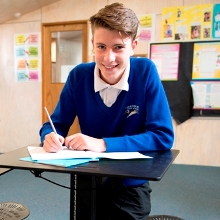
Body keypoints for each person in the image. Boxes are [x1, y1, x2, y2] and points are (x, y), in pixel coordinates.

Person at [39, 2, 174, 220]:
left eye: (118, 47)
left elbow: (163, 136)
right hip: (88, 178)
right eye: (101, 46)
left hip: (131, 182)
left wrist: (102, 144)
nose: (108, 58)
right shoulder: (78, 76)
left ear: (133, 46)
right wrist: (49, 136)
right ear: (92, 44)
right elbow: (53, 124)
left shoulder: (145, 71)